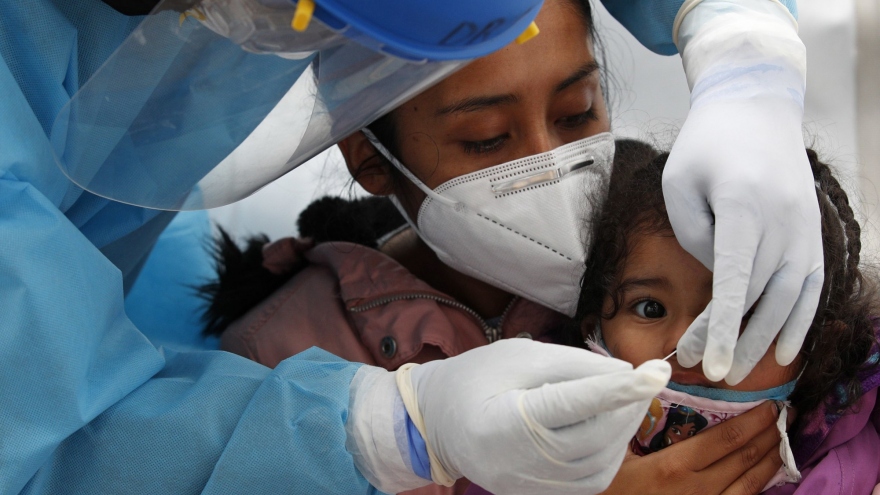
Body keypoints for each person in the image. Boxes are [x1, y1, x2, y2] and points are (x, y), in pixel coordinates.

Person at [0, 1, 818, 494]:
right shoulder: (294, 338)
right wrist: (396, 431)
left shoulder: (640, 271)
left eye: (578, 114)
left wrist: (744, 43)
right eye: (487, 137)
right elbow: (57, 441)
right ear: (368, 156)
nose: (552, 168)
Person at [570, 140, 880, 494]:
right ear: (593, 332)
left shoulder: (853, 481)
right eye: (650, 308)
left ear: (819, 352)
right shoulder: (532, 463)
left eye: (743, 314)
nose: (688, 346)